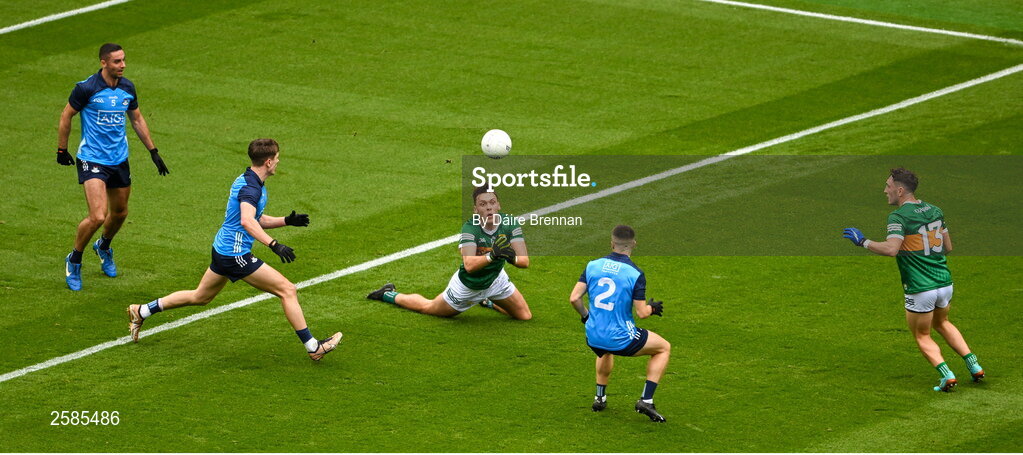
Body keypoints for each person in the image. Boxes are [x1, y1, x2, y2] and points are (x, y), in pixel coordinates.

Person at [126, 139, 341, 361]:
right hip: (235, 254)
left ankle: (142, 311)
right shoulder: (251, 188)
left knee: (201, 296)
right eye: (276, 159)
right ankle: (313, 347)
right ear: (268, 162)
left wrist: (286, 220)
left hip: (223, 249)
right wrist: (274, 245)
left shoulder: (249, 180)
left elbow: (255, 218)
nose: (278, 163)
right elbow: (248, 221)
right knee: (287, 290)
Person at [843, 167, 984, 392]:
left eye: (888, 186)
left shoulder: (898, 217)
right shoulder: (935, 210)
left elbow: (891, 249)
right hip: (944, 283)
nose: (884, 190)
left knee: (922, 335)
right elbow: (948, 247)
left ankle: (946, 375)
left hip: (920, 288)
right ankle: (974, 365)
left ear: (900, 190)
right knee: (943, 322)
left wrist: (863, 242)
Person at [57, 43, 170, 291]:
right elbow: (67, 115)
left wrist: (153, 151)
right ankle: (74, 258)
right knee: (98, 215)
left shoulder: (127, 88)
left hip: (119, 159)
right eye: (117, 61)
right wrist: (62, 149)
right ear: (104, 63)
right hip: (92, 158)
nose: (123, 65)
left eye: (124, 60)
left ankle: (104, 246)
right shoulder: (86, 88)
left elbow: (137, 118)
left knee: (120, 213)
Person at [367, 186, 532, 320]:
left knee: (525, 316)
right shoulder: (470, 229)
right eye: (483, 204)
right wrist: (493, 255)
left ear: (499, 205)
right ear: (476, 210)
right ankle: (388, 293)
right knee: (429, 308)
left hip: (496, 281)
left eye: (492, 202)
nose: (489, 207)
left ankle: (488, 301)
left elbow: (524, 262)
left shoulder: (510, 224)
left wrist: (510, 256)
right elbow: (469, 266)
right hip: (467, 287)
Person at [569, 225, 669, 422]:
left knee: (604, 350)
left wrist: (585, 317)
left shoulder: (592, 265)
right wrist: (653, 308)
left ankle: (600, 398)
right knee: (663, 348)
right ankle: (646, 400)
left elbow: (574, 299)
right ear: (634, 244)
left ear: (611, 243)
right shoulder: (635, 274)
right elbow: (642, 313)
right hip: (622, 338)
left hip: (594, 335)